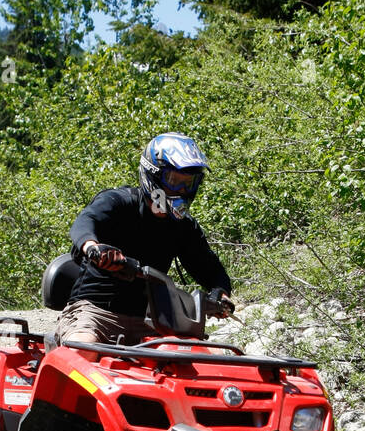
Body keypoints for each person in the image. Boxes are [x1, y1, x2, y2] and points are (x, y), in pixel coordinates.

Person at [56, 132, 234, 347]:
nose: (183, 190)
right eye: (175, 181)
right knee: (83, 349)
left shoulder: (182, 226)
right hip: (94, 314)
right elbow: (86, 221)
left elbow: (208, 267)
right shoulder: (118, 202)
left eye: (190, 183)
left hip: (150, 323)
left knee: (193, 361)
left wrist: (221, 295)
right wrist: (93, 247)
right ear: (153, 175)